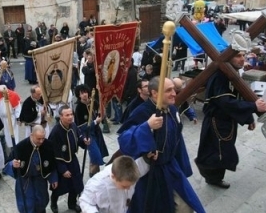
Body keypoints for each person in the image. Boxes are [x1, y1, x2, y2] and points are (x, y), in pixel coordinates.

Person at [118, 76, 205, 213]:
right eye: (168, 90)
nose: (174, 93)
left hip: (170, 167)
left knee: (186, 206)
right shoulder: (142, 111)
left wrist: (183, 167)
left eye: (174, 90)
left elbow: (177, 140)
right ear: (154, 93)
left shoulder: (172, 110)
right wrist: (146, 126)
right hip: (150, 173)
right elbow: (124, 140)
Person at [196, 52, 266, 189]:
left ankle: (215, 177)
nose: (242, 59)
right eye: (238, 55)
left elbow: (238, 96)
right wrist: (253, 106)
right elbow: (225, 102)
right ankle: (212, 178)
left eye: (243, 56)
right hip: (217, 122)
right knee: (215, 152)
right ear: (228, 57)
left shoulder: (232, 73)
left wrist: (248, 117)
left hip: (227, 121)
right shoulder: (219, 76)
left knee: (223, 151)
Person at [4, 125, 58, 213]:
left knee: (41, 202)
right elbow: (7, 163)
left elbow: (52, 163)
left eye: (43, 138)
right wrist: (13, 164)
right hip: (25, 181)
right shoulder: (20, 147)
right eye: (38, 138)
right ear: (31, 135)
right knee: (27, 205)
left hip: (40, 180)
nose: (41, 141)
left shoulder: (47, 145)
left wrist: (53, 178)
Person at [48, 105, 90, 213]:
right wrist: (63, 169)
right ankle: (53, 202)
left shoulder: (73, 125)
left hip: (72, 159)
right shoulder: (55, 133)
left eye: (71, 114)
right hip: (60, 162)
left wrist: (84, 141)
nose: (70, 117)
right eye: (67, 115)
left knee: (76, 184)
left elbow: (79, 136)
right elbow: (54, 153)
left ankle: (72, 204)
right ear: (61, 117)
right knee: (59, 187)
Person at [79, 156, 150, 213]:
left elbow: (141, 166)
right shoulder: (97, 184)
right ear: (113, 176)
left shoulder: (131, 171)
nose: (128, 188)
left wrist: (147, 159)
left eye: (131, 185)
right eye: (124, 186)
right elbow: (86, 201)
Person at [74, 84, 108, 177]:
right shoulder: (79, 108)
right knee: (96, 157)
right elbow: (81, 127)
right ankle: (94, 178)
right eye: (82, 93)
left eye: (85, 92)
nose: (84, 94)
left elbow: (100, 115)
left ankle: (94, 175)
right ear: (79, 95)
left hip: (97, 133)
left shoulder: (94, 102)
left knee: (96, 157)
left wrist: (102, 115)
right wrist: (95, 122)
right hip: (88, 135)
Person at [0, 85, 21, 153]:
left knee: (13, 134)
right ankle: (3, 149)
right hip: (0, 119)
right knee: (2, 134)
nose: (3, 94)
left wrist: (18, 117)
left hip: (11, 118)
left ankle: (14, 149)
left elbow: (17, 107)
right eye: (1, 93)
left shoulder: (13, 95)